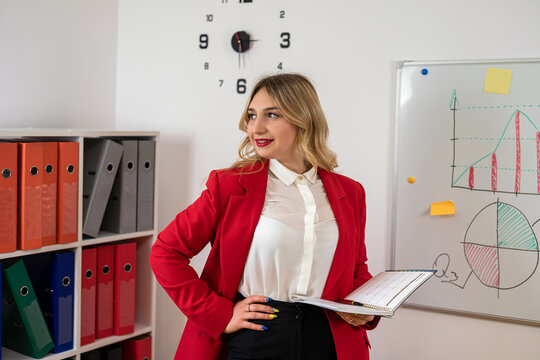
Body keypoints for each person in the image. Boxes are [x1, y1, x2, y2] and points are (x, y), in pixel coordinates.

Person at [150, 73, 380, 360]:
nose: (255, 128)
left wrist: (364, 307)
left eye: (271, 115)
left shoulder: (351, 192)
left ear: (303, 118)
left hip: (327, 335)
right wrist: (220, 315)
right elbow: (165, 252)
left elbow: (356, 267)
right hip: (255, 335)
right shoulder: (229, 186)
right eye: (251, 115)